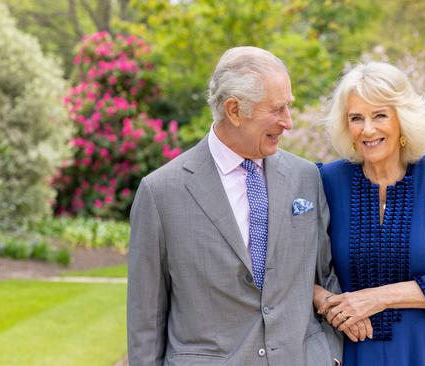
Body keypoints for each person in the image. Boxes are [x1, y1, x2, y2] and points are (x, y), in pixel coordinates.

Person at [127, 46, 352, 366]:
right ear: (234, 110)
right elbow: (145, 318)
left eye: (288, 107)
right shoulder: (160, 192)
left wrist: (329, 354)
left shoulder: (305, 177)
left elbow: (326, 274)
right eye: (277, 109)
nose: (288, 122)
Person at [314, 61, 425, 366]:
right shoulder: (325, 182)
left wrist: (374, 298)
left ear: (402, 119)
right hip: (353, 349)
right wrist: (328, 304)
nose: (368, 129)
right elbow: (295, 271)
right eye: (356, 118)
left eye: (379, 115)